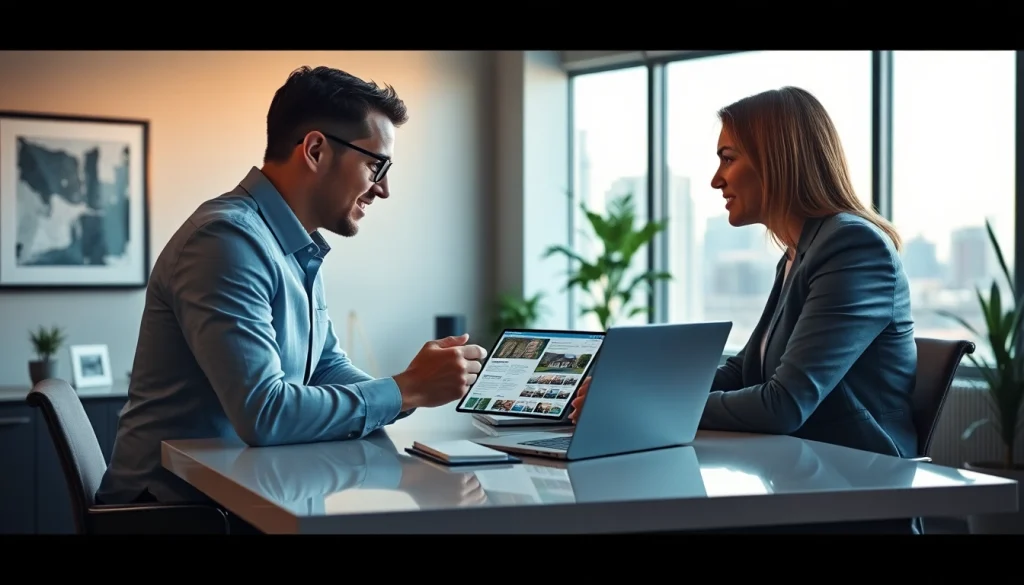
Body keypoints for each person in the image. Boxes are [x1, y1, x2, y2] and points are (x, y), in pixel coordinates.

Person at [96, 66, 487, 507]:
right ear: (316, 150)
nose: (384, 189)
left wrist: (411, 391)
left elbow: (325, 368)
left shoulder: (294, 245)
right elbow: (264, 414)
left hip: (242, 498)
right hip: (169, 511)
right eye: (376, 165)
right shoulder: (225, 240)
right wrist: (405, 388)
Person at [571, 86, 918, 461]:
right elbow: (745, 372)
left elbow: (783, 405)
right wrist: (631, 389)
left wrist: (639, 405)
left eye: (728, 159)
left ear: (776, 161)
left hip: (861, 474)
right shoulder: (798, 253)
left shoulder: (851, 247)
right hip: (797, 464)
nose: (716, 180)